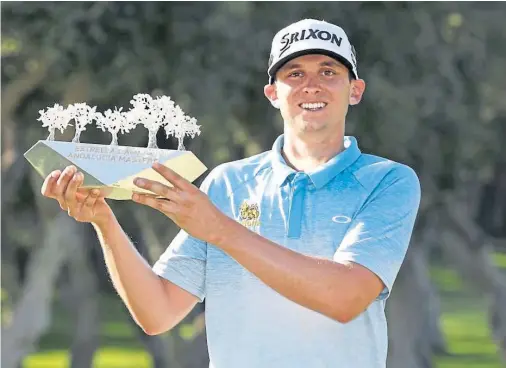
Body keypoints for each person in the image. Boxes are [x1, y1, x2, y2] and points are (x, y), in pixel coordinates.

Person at [41, 19, 421, 368]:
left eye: (329, 71)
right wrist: (104, 222)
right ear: (273, 93)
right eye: (294, 73)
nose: (312, 85)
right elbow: (157, 313)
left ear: (355, 90)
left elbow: (345, 298)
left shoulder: (387, 181)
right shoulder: (228, 183)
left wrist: (220, 229)